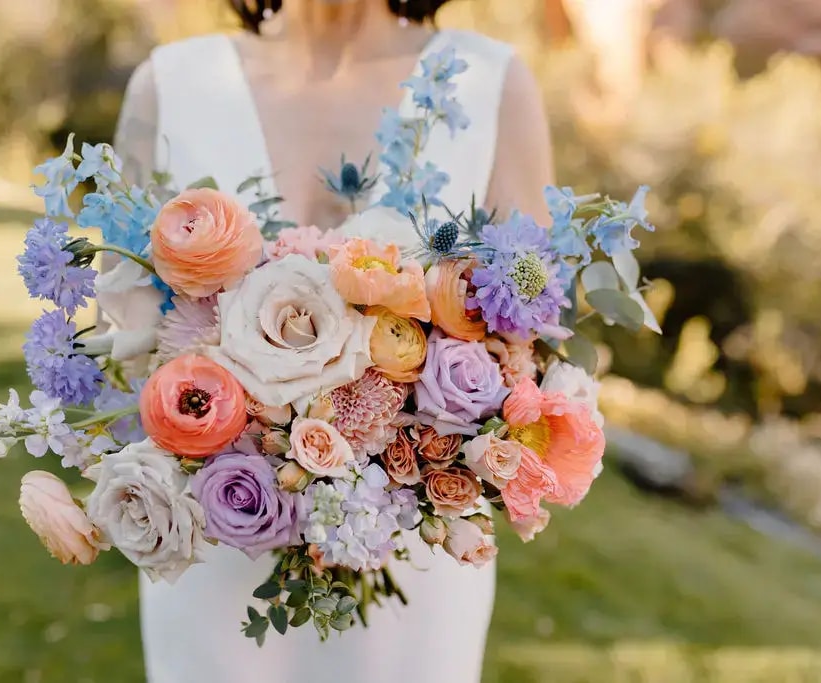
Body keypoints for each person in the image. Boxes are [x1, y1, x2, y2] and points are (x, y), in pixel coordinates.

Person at [112, 1, 554, 681]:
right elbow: (128, 334)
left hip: (413, 562)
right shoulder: (170, 84)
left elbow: (534, 325)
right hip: (219, 539)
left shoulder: (488, 81)